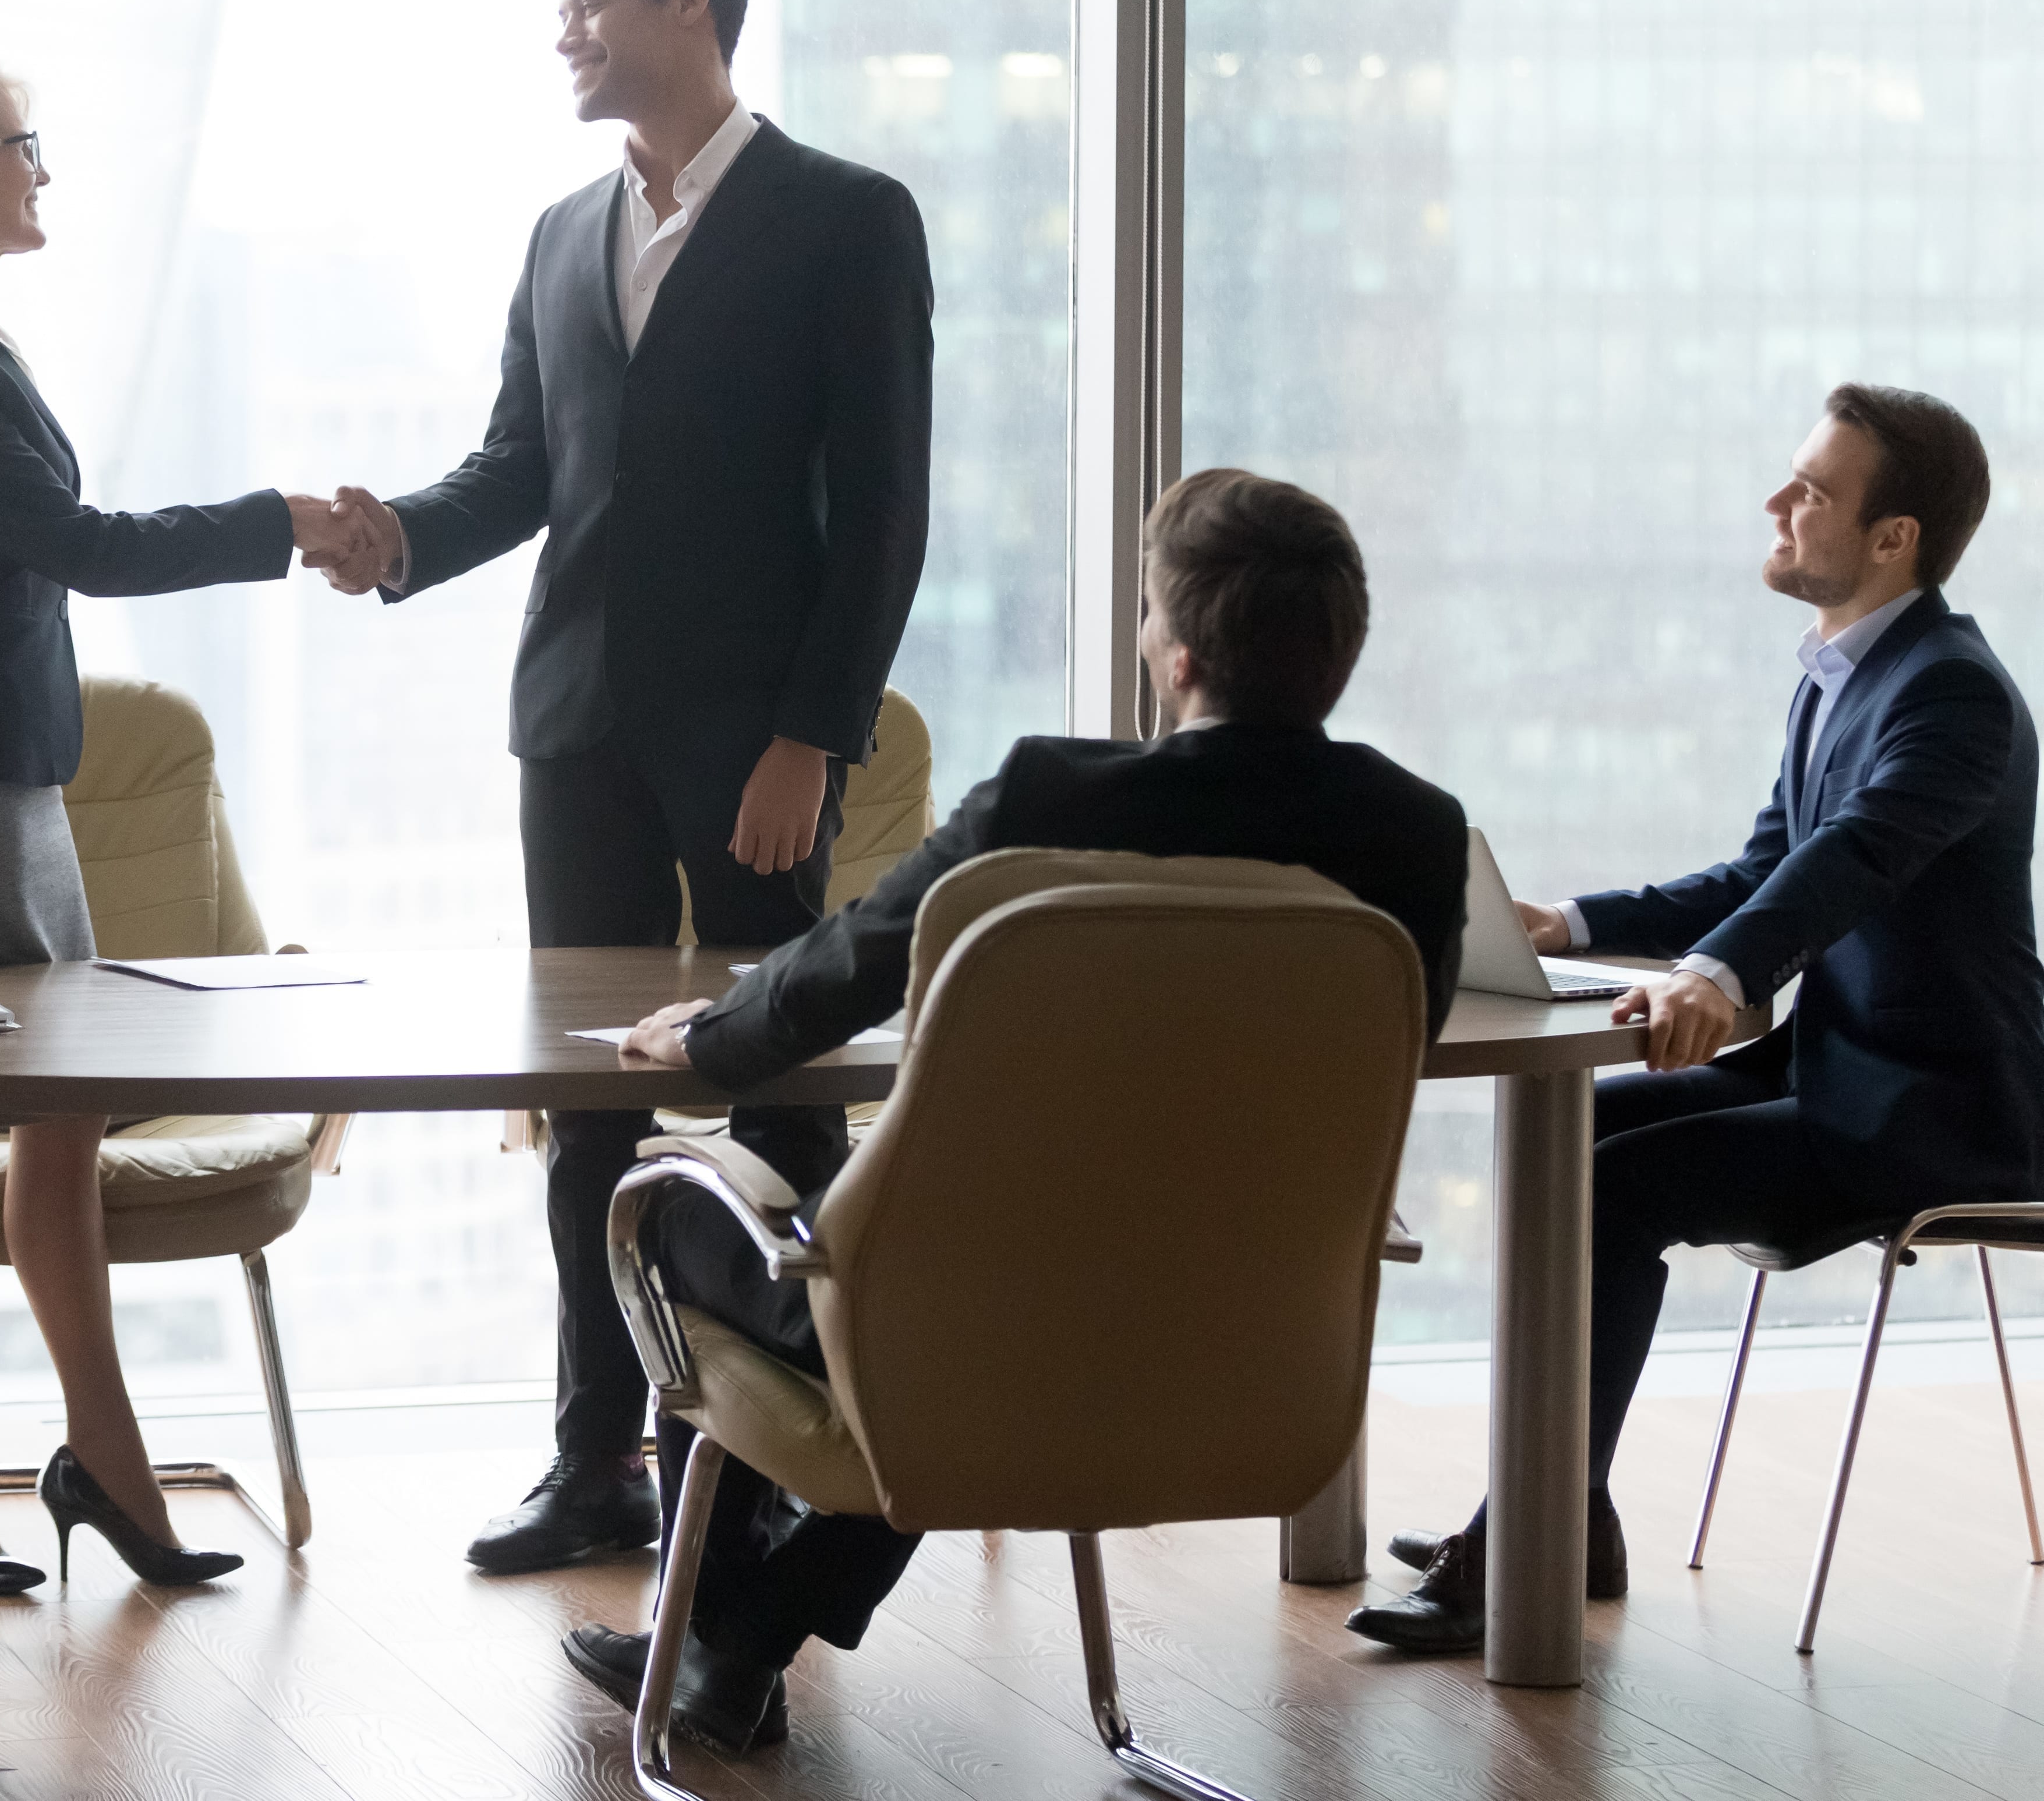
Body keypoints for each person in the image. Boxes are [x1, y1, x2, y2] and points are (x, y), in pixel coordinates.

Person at [555, 468, 1470, 1754]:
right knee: (974, 1308)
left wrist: (697, 1036)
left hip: (972, 1329)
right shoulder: (1417, 840)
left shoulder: (1049, 799)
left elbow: (837, 968)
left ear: (1175, 652)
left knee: (679, 1223)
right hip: (1244, 1335)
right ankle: (741, 1639)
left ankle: (708, 1637)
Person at [314, 0, 935, 1575]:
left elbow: (884, 511)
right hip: (572, 722)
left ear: (689, 6)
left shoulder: (845, 218)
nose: (566, 33)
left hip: (755, 743)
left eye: (591, 4)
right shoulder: (555, 233)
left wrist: (813, 738)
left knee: (773, 1087)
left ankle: (755, 1459)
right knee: (582, 1103)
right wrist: (396, 546)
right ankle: (592, 1460)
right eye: (561, 9)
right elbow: (522, 469)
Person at [1352, 384, 2044, 1654]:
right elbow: (1761, 866)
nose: (1775, 506)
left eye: (1811, 492)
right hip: (1840, 1070)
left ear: (1891, 537)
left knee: (1614, 1189)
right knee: (1570, 1142)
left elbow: (1854, 856)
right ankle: (1569, 1510)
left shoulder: (1953, 694)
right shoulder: (1844, 676)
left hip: (1935, 1110)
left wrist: (1716, 976)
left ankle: (1527, 1541)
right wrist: (1574, 918)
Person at [0, 43, 366, 1590]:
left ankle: (95, 1463)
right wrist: (280, 524)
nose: (40, 170)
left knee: (53, 1116)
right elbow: (76, 544)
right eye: (19, 145)